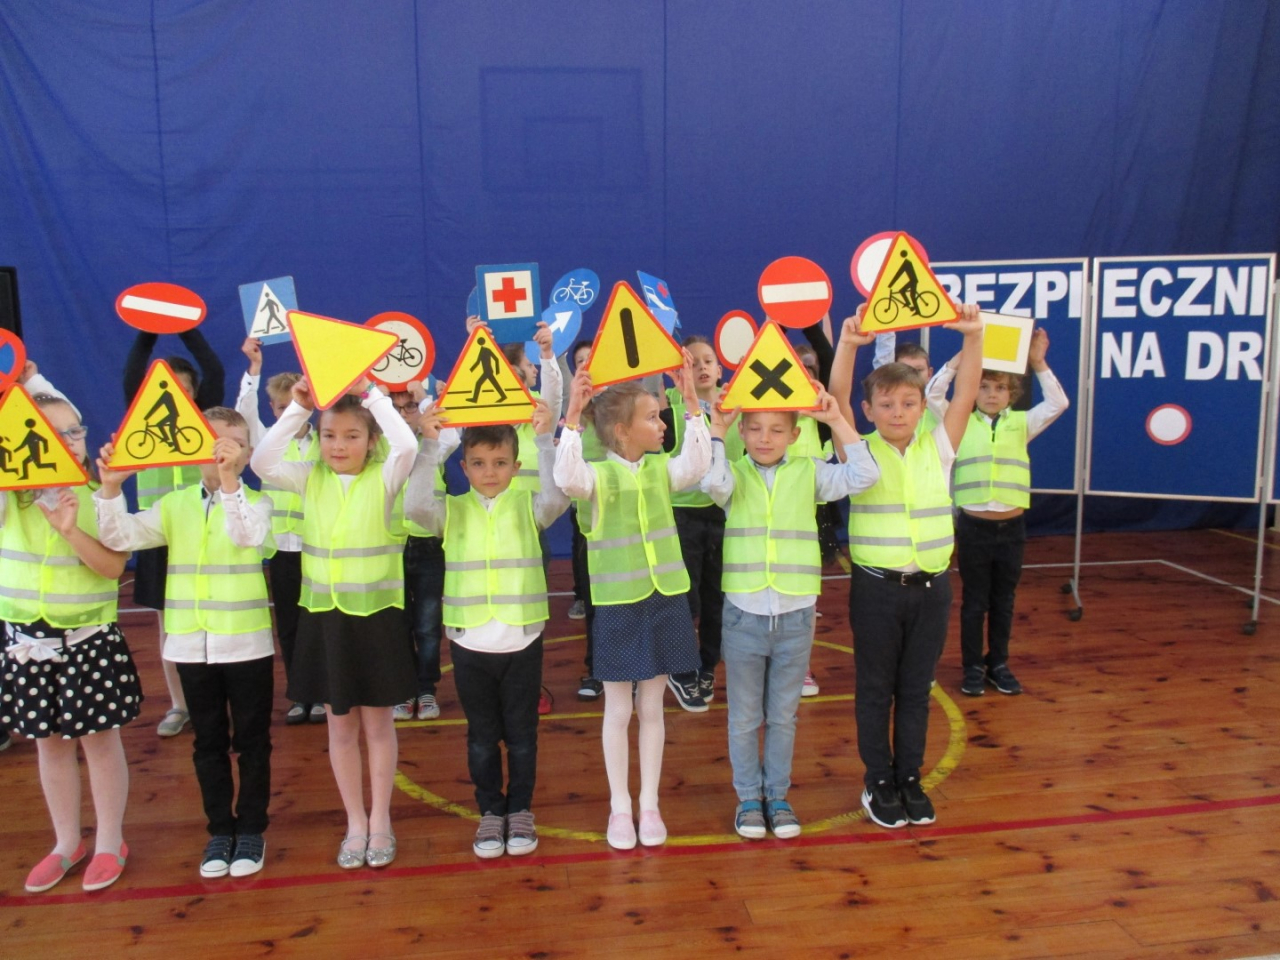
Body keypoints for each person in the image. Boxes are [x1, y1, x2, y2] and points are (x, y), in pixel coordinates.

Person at [96, 406, 276, 878]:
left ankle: (251, 829)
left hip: (246, 645)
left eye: (233, 444)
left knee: (253, 741)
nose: (221, 452)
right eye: (212, 442)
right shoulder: (175, 504)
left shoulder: (259, 502)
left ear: (248, 453)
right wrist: (111, 488)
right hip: (190, 646)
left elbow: (247, 536)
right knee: (208, 742)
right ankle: (219, 830)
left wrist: (230, 482)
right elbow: (119, 535)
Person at [250, 375, 417, 870]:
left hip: (378, 622)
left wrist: (372, 395)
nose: (338, 446)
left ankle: (381, 820)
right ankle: (355, 823)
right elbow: (261, 462)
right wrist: (299, 408)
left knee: (378, 726)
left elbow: (408, 445)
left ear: (371, 440)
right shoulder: (309, 477)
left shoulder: (386, 476)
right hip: (326, 622)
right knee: (340, 728)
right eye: (329, 435)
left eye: (351, 435)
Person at [830, 302, 984, 830]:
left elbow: (966, 391)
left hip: (933, 590)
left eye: (908, 403)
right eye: (887, 404)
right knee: (876, 688)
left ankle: (909, 776)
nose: (898, 412)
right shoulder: (858, 450)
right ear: (869, 409)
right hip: (876, 591)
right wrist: (847, 344)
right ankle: (878, 779)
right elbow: (837, 398)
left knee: (917, 689)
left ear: (922, 408)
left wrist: (973, 336)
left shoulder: (939, 447)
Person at [703, 390, 879, 840]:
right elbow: (713, 483)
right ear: (743, 432)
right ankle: (749, 798)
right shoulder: (733, 472)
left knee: (783, 716)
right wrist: (718, 432)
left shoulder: (809, 471)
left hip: (796, 615)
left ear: (795, 435)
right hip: (743, 615)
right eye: (755, 429)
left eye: (777, 430)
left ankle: (777, 796)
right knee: (744, 718)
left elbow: (865, 474)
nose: (765, 438)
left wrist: (836, 420)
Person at [554, 353, 710, 850]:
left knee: (653, 706)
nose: (661, 425)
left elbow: (699, 463)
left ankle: (649, 804)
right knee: (618, 709)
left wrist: (691, 404)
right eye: (652, 417)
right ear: (622, 432)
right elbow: (566, 478)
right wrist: (572, 416)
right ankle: (620, 806)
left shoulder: (663, 469)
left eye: (660, 416)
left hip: (666, 599)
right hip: (619, 604)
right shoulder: (597, 477)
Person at [405, 400, 567, 858]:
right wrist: (429, 445)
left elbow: (558, 498)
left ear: (516, 466)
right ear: (464, 467)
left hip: (522, 639)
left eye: (499, 463)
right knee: (480, 736)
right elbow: (415, 505)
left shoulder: (530, 505)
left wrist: (543, 439)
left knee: (522, 735)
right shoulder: (451, 510)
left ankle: (520, 809)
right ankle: (490, 811)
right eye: (478, 463)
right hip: (470, 641)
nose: (489, 472)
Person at [1, 393, 139, 892]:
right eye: (52, 434)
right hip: (27, 642)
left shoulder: (97, 494)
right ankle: (66, 843)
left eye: (74, 432)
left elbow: (113, 568)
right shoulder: (10, 497)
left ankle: (109, 842)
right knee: (50, 745)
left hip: (87, 639)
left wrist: (69, 532)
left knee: (100, 743)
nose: (68, 442)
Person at [947, 329, 1068, 696]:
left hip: (1011, 529)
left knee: (1004, 601)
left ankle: (997, 663)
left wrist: (1038, 363)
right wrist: (959, 362)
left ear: (1011, 393)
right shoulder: (960, 422)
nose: (991, 394)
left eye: (1000, 388)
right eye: (983, 387)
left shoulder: (1021, 423)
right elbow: (934, 396)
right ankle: (971, 666)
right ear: (972, 390)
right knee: (975, 602)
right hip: (974, 528)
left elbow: (1059, 402)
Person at [123, 328, 225, 738]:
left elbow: (214, 370)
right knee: (170, 626)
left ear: (196, 394)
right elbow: (133, 373)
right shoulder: (143, 419)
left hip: (205, 533)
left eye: (183, 388)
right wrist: (149, 329)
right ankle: (180, 705)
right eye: (164, 386)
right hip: (160, 537)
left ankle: (216, 701)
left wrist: (185, 326)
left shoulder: (205, 420)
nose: (174, 395)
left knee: (213, 619)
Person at [236, 339, 323, 725]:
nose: (287, 412)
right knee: (289, 626)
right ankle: (300, 694)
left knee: (318, 623)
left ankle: (322, 693)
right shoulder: (266, 443)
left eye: (294, 405)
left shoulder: (326, 443)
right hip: (282, 550)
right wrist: (253, 371)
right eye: (279, 407)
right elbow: (244, 413)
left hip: (318, 547)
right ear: (272, 409)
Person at [662, 335, 727, 713]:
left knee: (716, 599)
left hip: (723, 515)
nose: (702, 367)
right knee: (686, 601)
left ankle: (707, 667)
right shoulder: (670, 408)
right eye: (694, 362)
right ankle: (682, 670)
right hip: (682, 516)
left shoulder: (734, 406)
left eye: (708, 361)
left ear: (720, 369)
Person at [393, 380, 449, 723]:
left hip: (429, 545)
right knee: (398, 624)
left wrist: (425, 397)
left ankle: (426, 689)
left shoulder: (436, 442)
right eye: (396, 408)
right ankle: (403, 689)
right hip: (392, 546)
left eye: (410, 406)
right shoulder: (380, 446)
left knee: (427, 625)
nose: (403, 414)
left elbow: (451, 434)